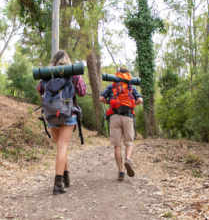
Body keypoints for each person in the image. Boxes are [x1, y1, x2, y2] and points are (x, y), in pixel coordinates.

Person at [37, 50, 87, 195]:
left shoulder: (47, 74)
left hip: (51, 114)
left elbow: (40, 90)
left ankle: (66, 177)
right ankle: (57, 184)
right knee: (62, 147)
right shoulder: (73, 73)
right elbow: (82, 92)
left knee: (60, 147)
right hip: (68, 113)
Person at [99, 67, 143, 181]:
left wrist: (110, 102)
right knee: (129, 143)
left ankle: (121, 172)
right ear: (128, 75)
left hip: (114, 117)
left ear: (118, 75)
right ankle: (127, 159)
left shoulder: (112, 86)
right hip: (128, 117)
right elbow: (140, 100)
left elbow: (101, 98)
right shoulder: (131, 87)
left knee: (117, 145)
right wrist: (131, 104)